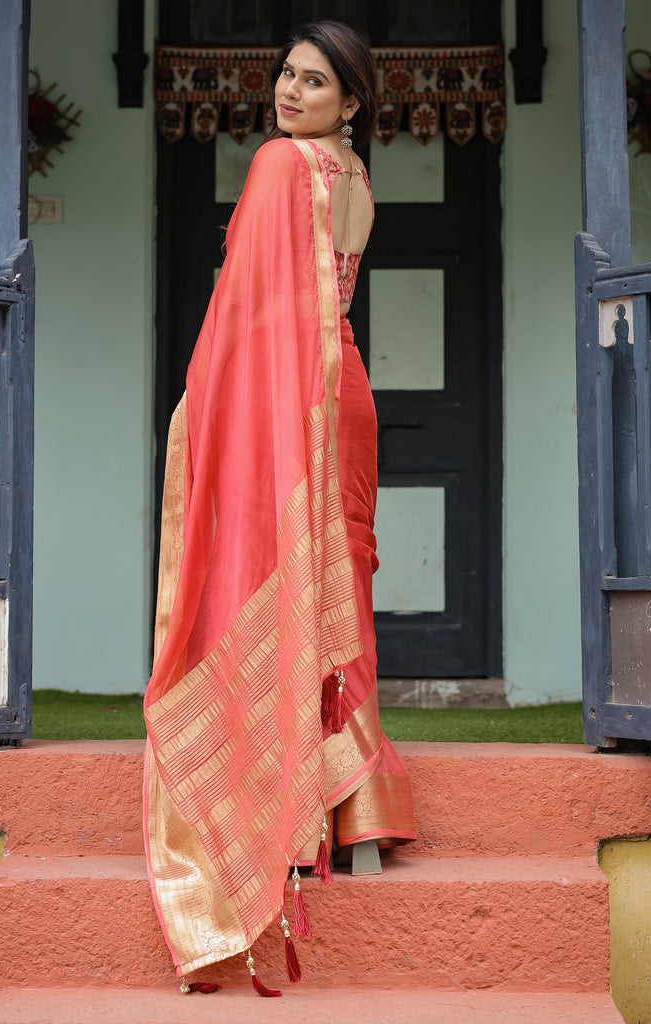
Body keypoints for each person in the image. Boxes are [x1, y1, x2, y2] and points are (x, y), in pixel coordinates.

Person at [143, 20, 416, 996]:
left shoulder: (277, 166)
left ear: (352, 101)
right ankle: (358, 807)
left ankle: (275, 810)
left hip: (286, 395)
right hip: (342, 389)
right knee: (334, 584)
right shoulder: (355, 181)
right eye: (286, 77)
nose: (290, 93)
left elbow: (249, 308)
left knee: (272, 582)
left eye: (315, 81)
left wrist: (206, 401)